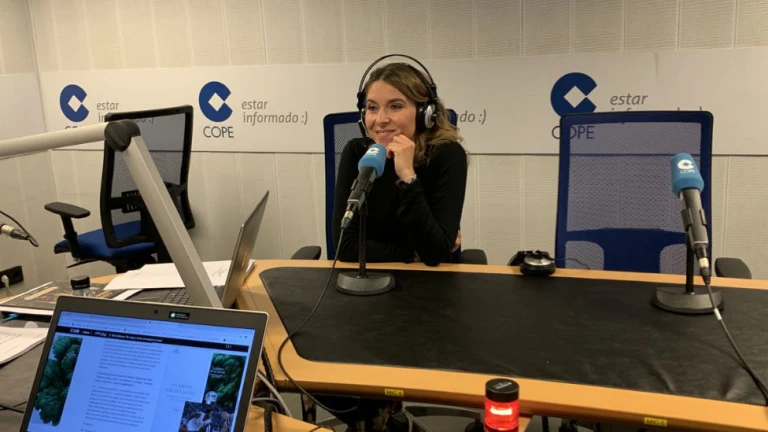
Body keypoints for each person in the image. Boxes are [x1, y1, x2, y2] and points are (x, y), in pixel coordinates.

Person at [332, 61, 467, 266]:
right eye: (372, 107)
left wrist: (408, 177)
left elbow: (435, 253)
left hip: (426, 280)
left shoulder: (447, 155)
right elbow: (345, 246)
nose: (381, 119)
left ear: (424, 113)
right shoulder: (357, 152)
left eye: (395, 106)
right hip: (370, 276)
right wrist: (411, 253)